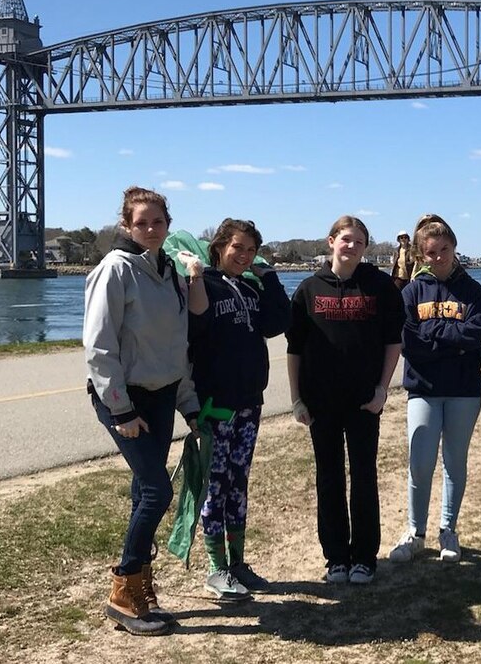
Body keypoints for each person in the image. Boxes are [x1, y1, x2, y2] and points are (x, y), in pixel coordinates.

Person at [84, 186, 202, 636]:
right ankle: (123, 589)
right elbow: (98, 349)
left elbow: (178, 346)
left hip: (162, 395)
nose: (151, 229)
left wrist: (189, 404)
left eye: (158, 222)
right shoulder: (113, 271)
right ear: (126, 225)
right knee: (157, 492)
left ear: (168, 225)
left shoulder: (168, 270)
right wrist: (121, 411)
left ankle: (141, 589)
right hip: (125, 400)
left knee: (142, 492)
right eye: (141, 222)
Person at [287, 216, 405, 584]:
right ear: (331, 241)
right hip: (320, 401)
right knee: (329, 477)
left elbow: (393, 342)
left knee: (364, 476)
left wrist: (383, 389)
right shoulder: (308, 289)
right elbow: (294, 350)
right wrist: (296, 400)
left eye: (359, 242)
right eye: (346, 240)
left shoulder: (379, 286)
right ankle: (336, 556)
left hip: (364, 401)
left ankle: (364, 557)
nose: (351, 247)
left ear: (365, 248)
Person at [187, 219, 291, 600]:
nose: (244, 256)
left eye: (250, 250)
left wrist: (271, 276)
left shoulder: (251, 285)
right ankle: (216, 569)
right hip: (217, 405)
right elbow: (195, 330)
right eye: (237, 248)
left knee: (238, 485)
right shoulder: (204, 284)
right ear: (219, 246)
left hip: (250, 402)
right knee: (216, 486)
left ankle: (238, 564)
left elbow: (279, 321)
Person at [390, 214, 481, 564]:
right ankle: (415, 532)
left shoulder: (473, 291)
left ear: (454, 247)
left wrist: (433, 336)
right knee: (420, 462)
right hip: (423, 388)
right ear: (421, 254)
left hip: (464, 390)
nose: (439, 257)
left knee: (454, 461)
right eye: (431, 252)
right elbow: (408, 341)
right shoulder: (413, 291)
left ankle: (448, 529)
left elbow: (475, 335)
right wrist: (451, 342)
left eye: (444, 249)